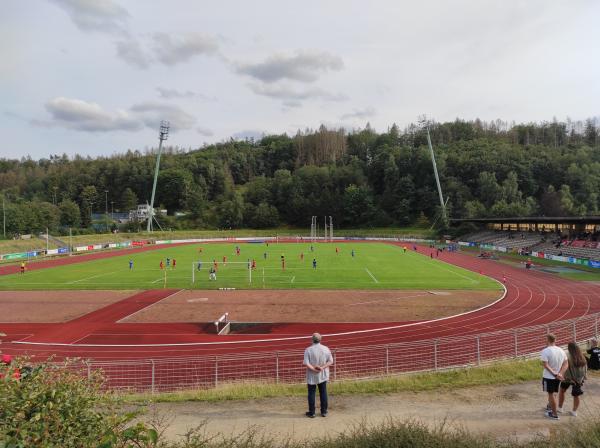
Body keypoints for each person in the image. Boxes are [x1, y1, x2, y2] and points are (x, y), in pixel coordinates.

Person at [303, 333, 333, 417]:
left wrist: (313, 369)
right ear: (320, 340)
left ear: (312, 339)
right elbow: (331, 361)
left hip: (312, 375)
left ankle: (312, 412)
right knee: (323, 392)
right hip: (322, 374)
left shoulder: (308, 350)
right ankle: (324, 411)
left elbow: (306, 363)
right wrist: (322, 368)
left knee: (311, 393)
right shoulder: (326, 348)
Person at [541, 333, 568, 420]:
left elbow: (545, 365)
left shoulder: (545, 351)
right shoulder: (561, 350)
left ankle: (554, 414)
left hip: (549, 377)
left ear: (548, 340)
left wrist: (554, 373)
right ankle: (550, 407)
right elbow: (566, 363)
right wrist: (560, 373)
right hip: (558, 377)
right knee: (554, 393)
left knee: (550, 394)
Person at [558, 342, 587, 417]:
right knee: (576, 395)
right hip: (578, 379)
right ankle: (574, 411)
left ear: (569, 348)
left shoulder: (567, 356)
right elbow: (585, 368)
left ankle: (560, 408)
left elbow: (566, 369)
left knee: (562, 391)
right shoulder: (582, 356)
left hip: (568, 378)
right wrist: (583, 377)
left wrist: (567, 378)